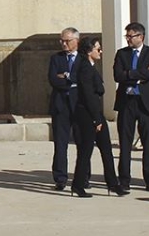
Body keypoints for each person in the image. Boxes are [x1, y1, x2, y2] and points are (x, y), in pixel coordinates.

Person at [71, 37, 127, 197]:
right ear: (89, 51)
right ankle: (78, 185)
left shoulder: (90, 66)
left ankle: (113, 184)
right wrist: (96, 119)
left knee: (106, 149)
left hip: (95, 113)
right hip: (88, 115)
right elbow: (88, 96)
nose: (100, 51)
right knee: (86, 150)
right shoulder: (85, 68)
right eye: (98, 49)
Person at [113, 22, 149, 192]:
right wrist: (137, 75)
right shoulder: (121, 54)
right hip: (127, 102)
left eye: (131, 36)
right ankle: (124, 180)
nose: (128, 39)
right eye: (126, 36)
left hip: (146, 103)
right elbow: (117, 76)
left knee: (148, 144)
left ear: (140, 37)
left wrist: (129, 74)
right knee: (125, 144)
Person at [47, 27, 80, 190]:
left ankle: (82, 177)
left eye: (67, 41)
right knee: (60, 144)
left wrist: (66, 76)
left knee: (82, 143)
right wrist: (71, 80)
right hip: (60, 106)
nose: (64, 44)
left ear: (76, 41)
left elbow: (84, 79)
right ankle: (60, 178)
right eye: (62, 41)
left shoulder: (83, 58)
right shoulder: (56, 59)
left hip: (79, 106)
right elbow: (53, 80)